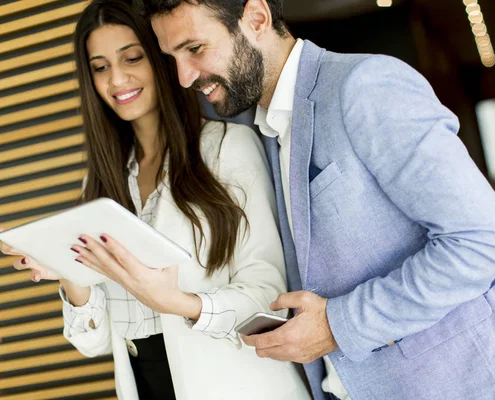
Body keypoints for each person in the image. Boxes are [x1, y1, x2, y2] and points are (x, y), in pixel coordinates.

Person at [138, 0, 495, 399]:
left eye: (194, 48)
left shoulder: (365, 85)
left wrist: (336, 326)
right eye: (172, 58)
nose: (184, 77)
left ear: (257, 18)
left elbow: (485, 243)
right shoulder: (266, 134)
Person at [0, 1, 311, 399]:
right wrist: (67, 269)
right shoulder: (99, 185)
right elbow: (92, 344)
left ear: (162, 59)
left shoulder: (226, 148)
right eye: (100, 67)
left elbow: (269, 298)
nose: (117, 79)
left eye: (132, 58)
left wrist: (180, 303)